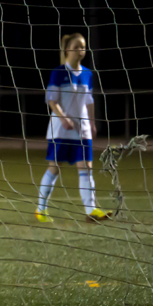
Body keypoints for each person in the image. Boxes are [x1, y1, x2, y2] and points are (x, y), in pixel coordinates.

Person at [35, 33, 112, 224]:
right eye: (77, 46)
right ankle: (41, 208)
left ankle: (91, 210)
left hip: (82, 130)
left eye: (83, 46)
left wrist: (92, 123)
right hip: (61, 129)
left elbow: (89, 101)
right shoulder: (59, 72)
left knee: (86, 168)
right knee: (54, 169)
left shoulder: (87, 74)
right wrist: (63, 118)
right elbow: (51, 100)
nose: (81, 50)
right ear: (67, 50)